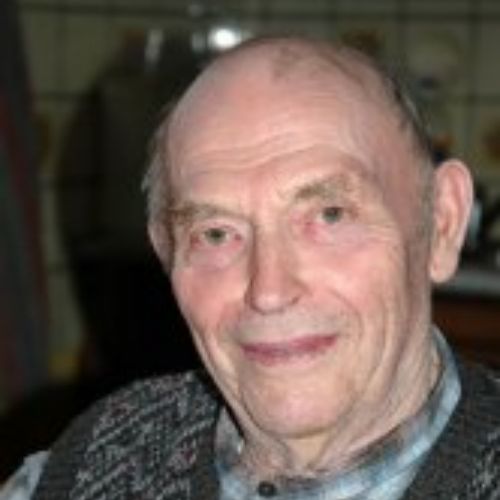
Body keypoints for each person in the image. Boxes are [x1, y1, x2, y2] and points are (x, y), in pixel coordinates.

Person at [2, 35, 499, 500]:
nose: (269, 291)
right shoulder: (94, 465)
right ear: (167, 254)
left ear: (442, 222)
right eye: (217, 234)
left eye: (330, 215)